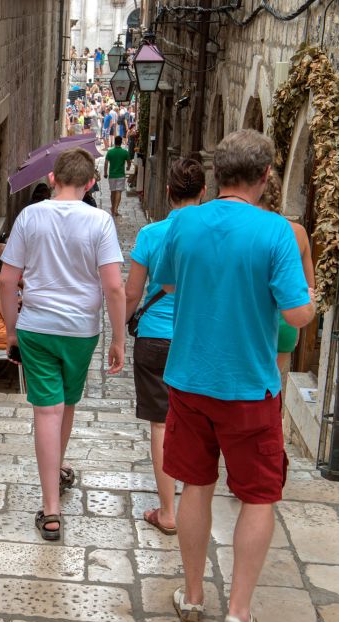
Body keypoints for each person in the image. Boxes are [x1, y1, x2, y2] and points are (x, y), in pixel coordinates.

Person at [155, 130, 314, 622]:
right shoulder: (276, 233)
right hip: (250, 386)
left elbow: (169, 282)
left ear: (216, 174)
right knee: (259, 496)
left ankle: (194, 596)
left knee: (195, 487)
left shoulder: (183, 224)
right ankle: (240, 612)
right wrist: (309, 292)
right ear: (266, 176)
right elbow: (296, 312)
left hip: (190, 379)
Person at [0, 148, 124, 542]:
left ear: (52, 178)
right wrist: (119, 338)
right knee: (66, 404)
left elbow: (6, 280)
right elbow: (114, 286)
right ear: (90, 184)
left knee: (48, 411)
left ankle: (51, 509)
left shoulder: (30, 217)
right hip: (81, 331)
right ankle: (56, 480)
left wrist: (13, 331)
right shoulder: (100, 221)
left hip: (37, 325)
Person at [124, 158, 206, 537]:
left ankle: (169, 511)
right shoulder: (212, 234)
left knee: (161, 423)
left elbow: (133, 292)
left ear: (169, 191)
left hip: (155, 336)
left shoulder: (152, 235)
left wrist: (119, 332)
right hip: (196, 337)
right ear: (204, 192)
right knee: (195, 422)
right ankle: (193, 507)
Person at [259, 173, 315, 374]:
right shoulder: (298, 232)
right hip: (287, 321)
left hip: (256, 319)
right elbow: (309, 286)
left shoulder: (251, 230)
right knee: (272, 384)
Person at [104, 135, 131, 217]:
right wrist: (128, 167)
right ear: (121, 142)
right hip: (121, 175)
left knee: (112, 192)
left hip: (112, 175)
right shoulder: (125, 152)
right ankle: (115, 209)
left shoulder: (110, 152)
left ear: (115, 142)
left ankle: (112, 208)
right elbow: (129, 162)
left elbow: (106, 163)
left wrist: (105, 173)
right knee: (118, 192)